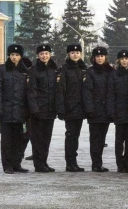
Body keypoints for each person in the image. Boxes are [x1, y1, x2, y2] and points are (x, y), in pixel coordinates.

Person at [0, 44, 38, 174]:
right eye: (12, 55)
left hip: (21, 112)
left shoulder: (25, 71)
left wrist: (29, 110)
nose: (14, 57)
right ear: (9, 55)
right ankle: (7, 165)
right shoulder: (1, 70)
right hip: (6, 112)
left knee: (20, 140)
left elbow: (30, 91)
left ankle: (16, 164)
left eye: (17, 55)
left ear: (21, 56)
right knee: (7, 141)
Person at [56, 44, 87, 172]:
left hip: (80, 109)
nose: (75, 55)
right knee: (70, 136)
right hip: (70, 108)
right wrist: (61, 109)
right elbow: (60, 91)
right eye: (73, 52)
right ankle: (69, 163)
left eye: (77, 52)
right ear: (68, 54)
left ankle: (74, 162)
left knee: (75, 136)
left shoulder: (83, 69)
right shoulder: (64, 70)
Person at [83, 46, 114, 172]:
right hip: (95, 111)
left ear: (105, 57)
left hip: (106, 110)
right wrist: (89, 109)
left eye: (102, 56)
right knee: (95, 138)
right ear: (93, 58)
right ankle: (95, 163)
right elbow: (87, 92)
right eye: (97, 56)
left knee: (102, 139)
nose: (100, 58)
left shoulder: (111, 71)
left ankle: (99, 162)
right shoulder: (90, 72)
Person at [29, 44, 58, 172]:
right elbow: (32, 91)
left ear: (50, 54)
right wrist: (34, 108)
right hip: (38, 111)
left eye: (46, 53)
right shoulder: (34, 70)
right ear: (38, 56)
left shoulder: (53, 70)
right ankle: (38, 164)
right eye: (41, 54)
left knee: (46, 138)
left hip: (50, 110)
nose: (44, 56)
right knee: (37, 139)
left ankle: (44, 162)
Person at [111, 49, 128, 173]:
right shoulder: (114, 74)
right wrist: (112, 111)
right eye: (122, 59)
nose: (125, 61)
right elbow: (111, 94)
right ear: (119, 60)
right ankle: (120, 164)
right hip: (119, 111)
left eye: (127, 59)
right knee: (119, 140)